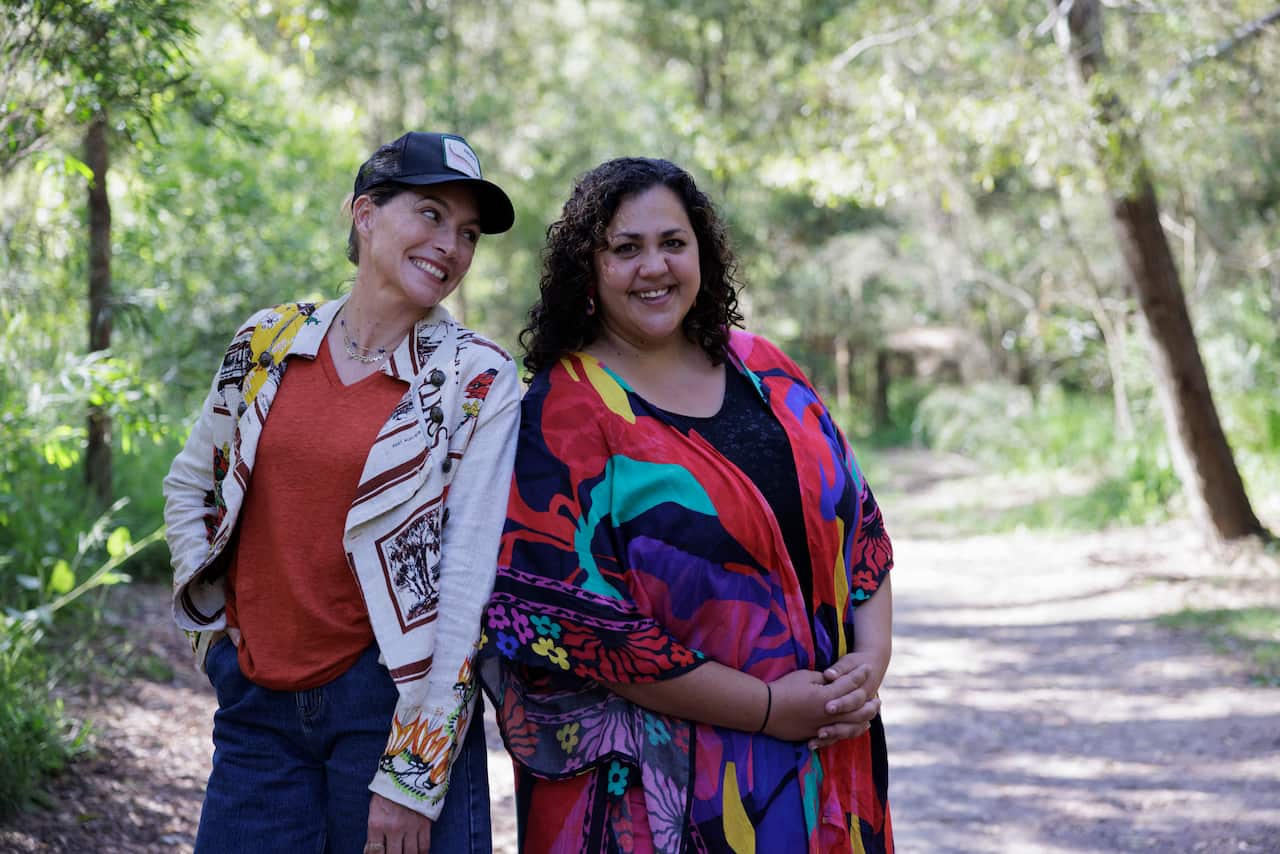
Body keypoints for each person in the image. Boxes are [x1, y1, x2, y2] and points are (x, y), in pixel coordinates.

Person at [478, 157, 894, 853]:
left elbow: (861, 527)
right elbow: (579, 629)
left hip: (827, 759)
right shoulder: (566, 415)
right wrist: (767, 709)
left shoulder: (764, 368)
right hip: (660, 798)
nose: (654, 267)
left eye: (673, 243)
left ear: (702, 252)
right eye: (626, 248)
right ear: (590, 267)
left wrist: (869, 662)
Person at [164, 131, 521, 854]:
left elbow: (463, 584)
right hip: (257, 704)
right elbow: (189, 483)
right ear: (364, 214)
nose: (450, 246)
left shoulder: (477, 379)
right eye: (429, 214)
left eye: (468, 233)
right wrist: (211, 637)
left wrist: (412, 773)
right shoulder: (268, 341)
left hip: (388, 701)